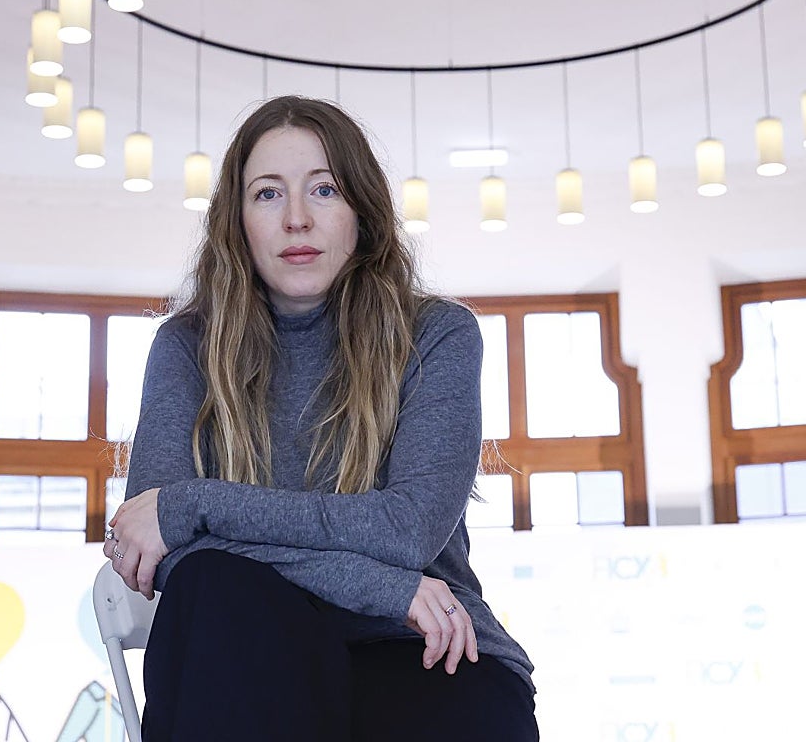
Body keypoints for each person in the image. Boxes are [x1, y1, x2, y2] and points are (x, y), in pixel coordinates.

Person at [102, 96, 537, 742]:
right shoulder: (186, 347)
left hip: (420, 646)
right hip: (250, 656)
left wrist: (192, 505)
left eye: (324, 189)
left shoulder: (438, 335)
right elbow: (154, 551)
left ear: (362, 210)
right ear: (236, 220)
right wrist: (380, 586)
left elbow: (408, 531)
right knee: (210, 583)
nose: (297, 219)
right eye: (268, 194)